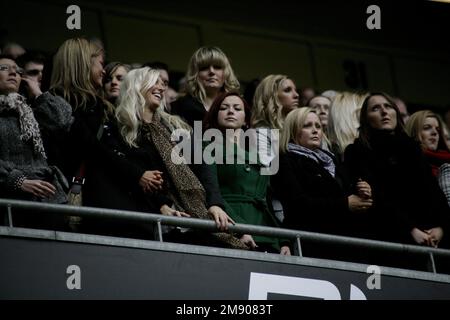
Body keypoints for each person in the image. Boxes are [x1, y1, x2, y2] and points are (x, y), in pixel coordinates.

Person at [111, 67, 246, 248]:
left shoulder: (175, 126)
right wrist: (161, 205)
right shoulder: (121, 129)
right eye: (154, 83)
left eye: (162, 84)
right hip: (162, 220)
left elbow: (203, 166)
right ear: (136, 86)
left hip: (197, 209)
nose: (161, 88)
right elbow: (132, 177)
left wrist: (214, 203)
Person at [344, 93, 449, 248]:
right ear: (366, 119)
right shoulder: (357, 151)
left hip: (433, 237)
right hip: (393, 239)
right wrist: (410, 229)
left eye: (388, 106)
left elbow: (434, 192)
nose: (384, 112)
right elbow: (376, 197)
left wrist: (441, 227)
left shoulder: (413, 148)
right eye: (375, 108)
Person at [204, 91, 290, 254]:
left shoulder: (256, 154)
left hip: (267, 234)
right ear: (215, 114)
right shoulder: (206, 145)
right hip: (230, 228)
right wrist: (239, 228)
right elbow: (210, 190)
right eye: (224, 108)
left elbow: (266, 199)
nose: (231, 111)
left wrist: (283, 240)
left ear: (245, 118)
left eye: (237, 108)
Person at [273, 107, 373, 239]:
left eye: (318, 126)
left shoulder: (331, 159)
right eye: (307, 126)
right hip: (312, 238)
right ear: (292, 131)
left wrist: (361, 190)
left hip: (345, 236)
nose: (315, 130)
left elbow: (342, 191)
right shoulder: (284, 160)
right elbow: (298, 205)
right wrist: (345, 204)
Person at [0, 54, 72, 229]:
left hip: (47, 197)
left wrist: (38, 93)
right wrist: (17, 181)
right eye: (4, 68)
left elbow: (62, 120)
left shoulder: (30, 111)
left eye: (17, 70)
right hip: (11, 200)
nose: (13, 72)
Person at [171, 46, 240, 128]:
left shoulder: (238, 107)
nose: (212, 71)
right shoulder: (180, 106)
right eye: (204, 68)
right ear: (195, 74)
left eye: (217, 67)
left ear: (226, 73)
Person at [405, 110, 450, 177]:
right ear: (414, 132)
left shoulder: (447, 158)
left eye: (438, 129)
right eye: (427, 128)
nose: (435, 132)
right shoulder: (407, 163)